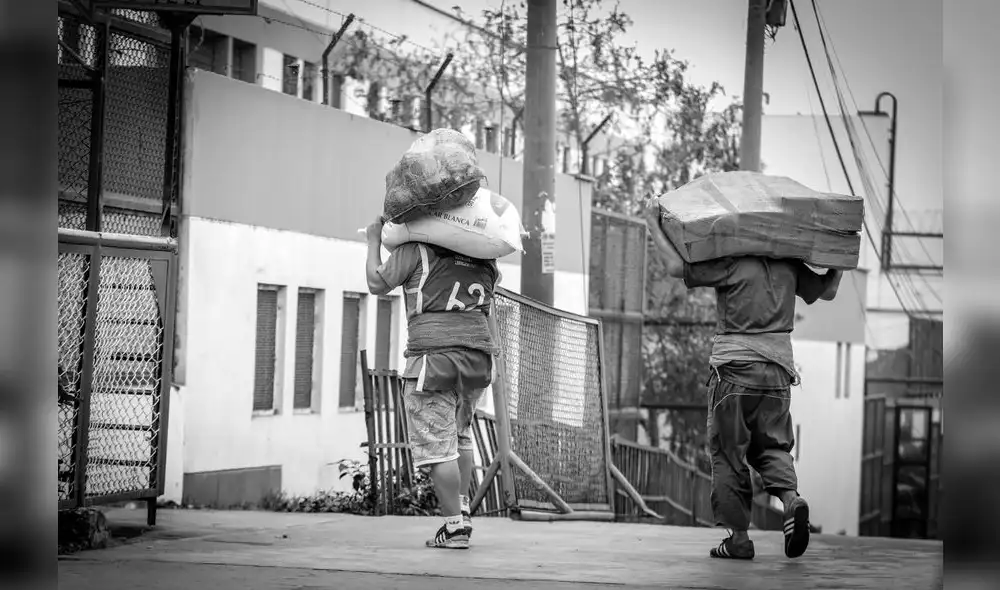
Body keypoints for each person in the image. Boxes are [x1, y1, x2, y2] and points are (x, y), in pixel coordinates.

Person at [644, 204, 843, 561]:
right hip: (777, 374)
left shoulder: (732, 261)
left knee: (729, 452)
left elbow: (676, 267)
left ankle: (738, 539)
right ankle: (790, 500)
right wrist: (840, 255)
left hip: (734, 374)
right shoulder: (789, 265)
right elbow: (827, 290)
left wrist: (651, 221)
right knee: (772, 447)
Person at [364, 215, 500, 550]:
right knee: (460, 435)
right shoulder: (485, 258)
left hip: (433, 361)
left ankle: (454, 529)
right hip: (478, 361)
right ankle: (463, 509)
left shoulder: (414, 251)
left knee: (440, 449)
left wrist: (371, 240)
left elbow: (376, 283)